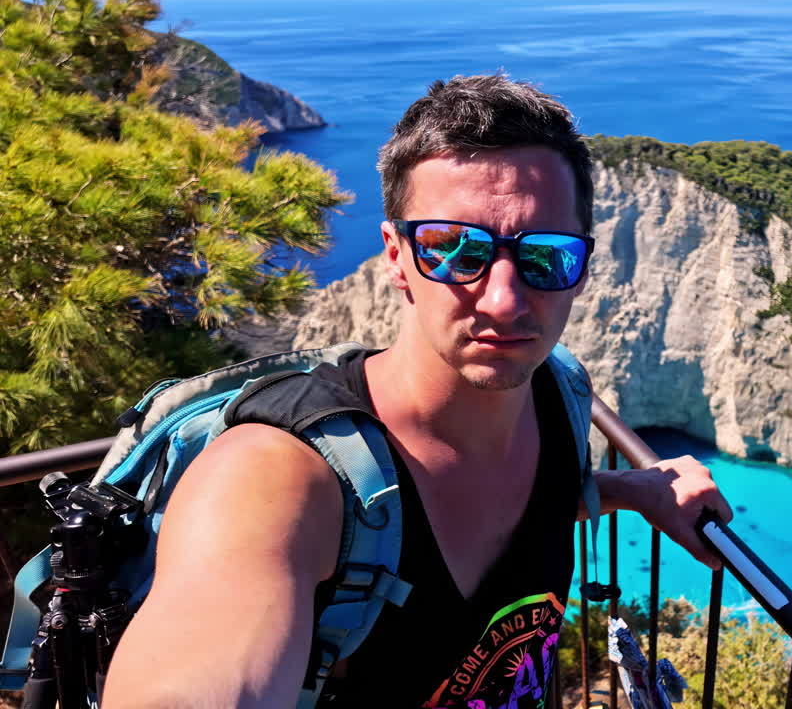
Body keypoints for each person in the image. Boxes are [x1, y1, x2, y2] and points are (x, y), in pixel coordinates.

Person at [102, 74, 733, 708]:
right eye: (455, 251)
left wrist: (628, 491)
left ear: (584, 267)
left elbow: (514, 507)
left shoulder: (559, 394)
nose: (505, 299)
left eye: (546, 256)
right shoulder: (276, 477)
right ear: (396, 257)